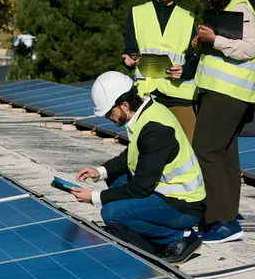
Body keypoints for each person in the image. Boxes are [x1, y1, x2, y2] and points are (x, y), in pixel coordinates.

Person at [71, 71, 205, 262]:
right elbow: (132, 155)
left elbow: (141, 187)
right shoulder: (146, 112)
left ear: (125, 105)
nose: (108, 117)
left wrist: (94, 197)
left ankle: (179, 238)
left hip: (183, 205)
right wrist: (99, 172)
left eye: (110, 112)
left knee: (111, 214)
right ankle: (148, 232)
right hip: (164, 193)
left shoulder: (155, 130)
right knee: (113, 176)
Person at [189, 0, 255, 244]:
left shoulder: (241, 8)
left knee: (205, 150)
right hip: (223, 93)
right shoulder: (225, 9)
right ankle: (229, 217)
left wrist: (214, 40)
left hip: (227, 95)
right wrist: (200, 44)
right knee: (226, 155)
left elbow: (250, 49)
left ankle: (220, 219)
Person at [122, 0, 199, 142]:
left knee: (188, 150)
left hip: (179, 96)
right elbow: (130, 50)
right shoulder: (137, 13)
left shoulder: (188, 18)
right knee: (143, 150)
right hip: (145, 95)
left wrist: (184, 70)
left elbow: (195, 59)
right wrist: (129, 60)